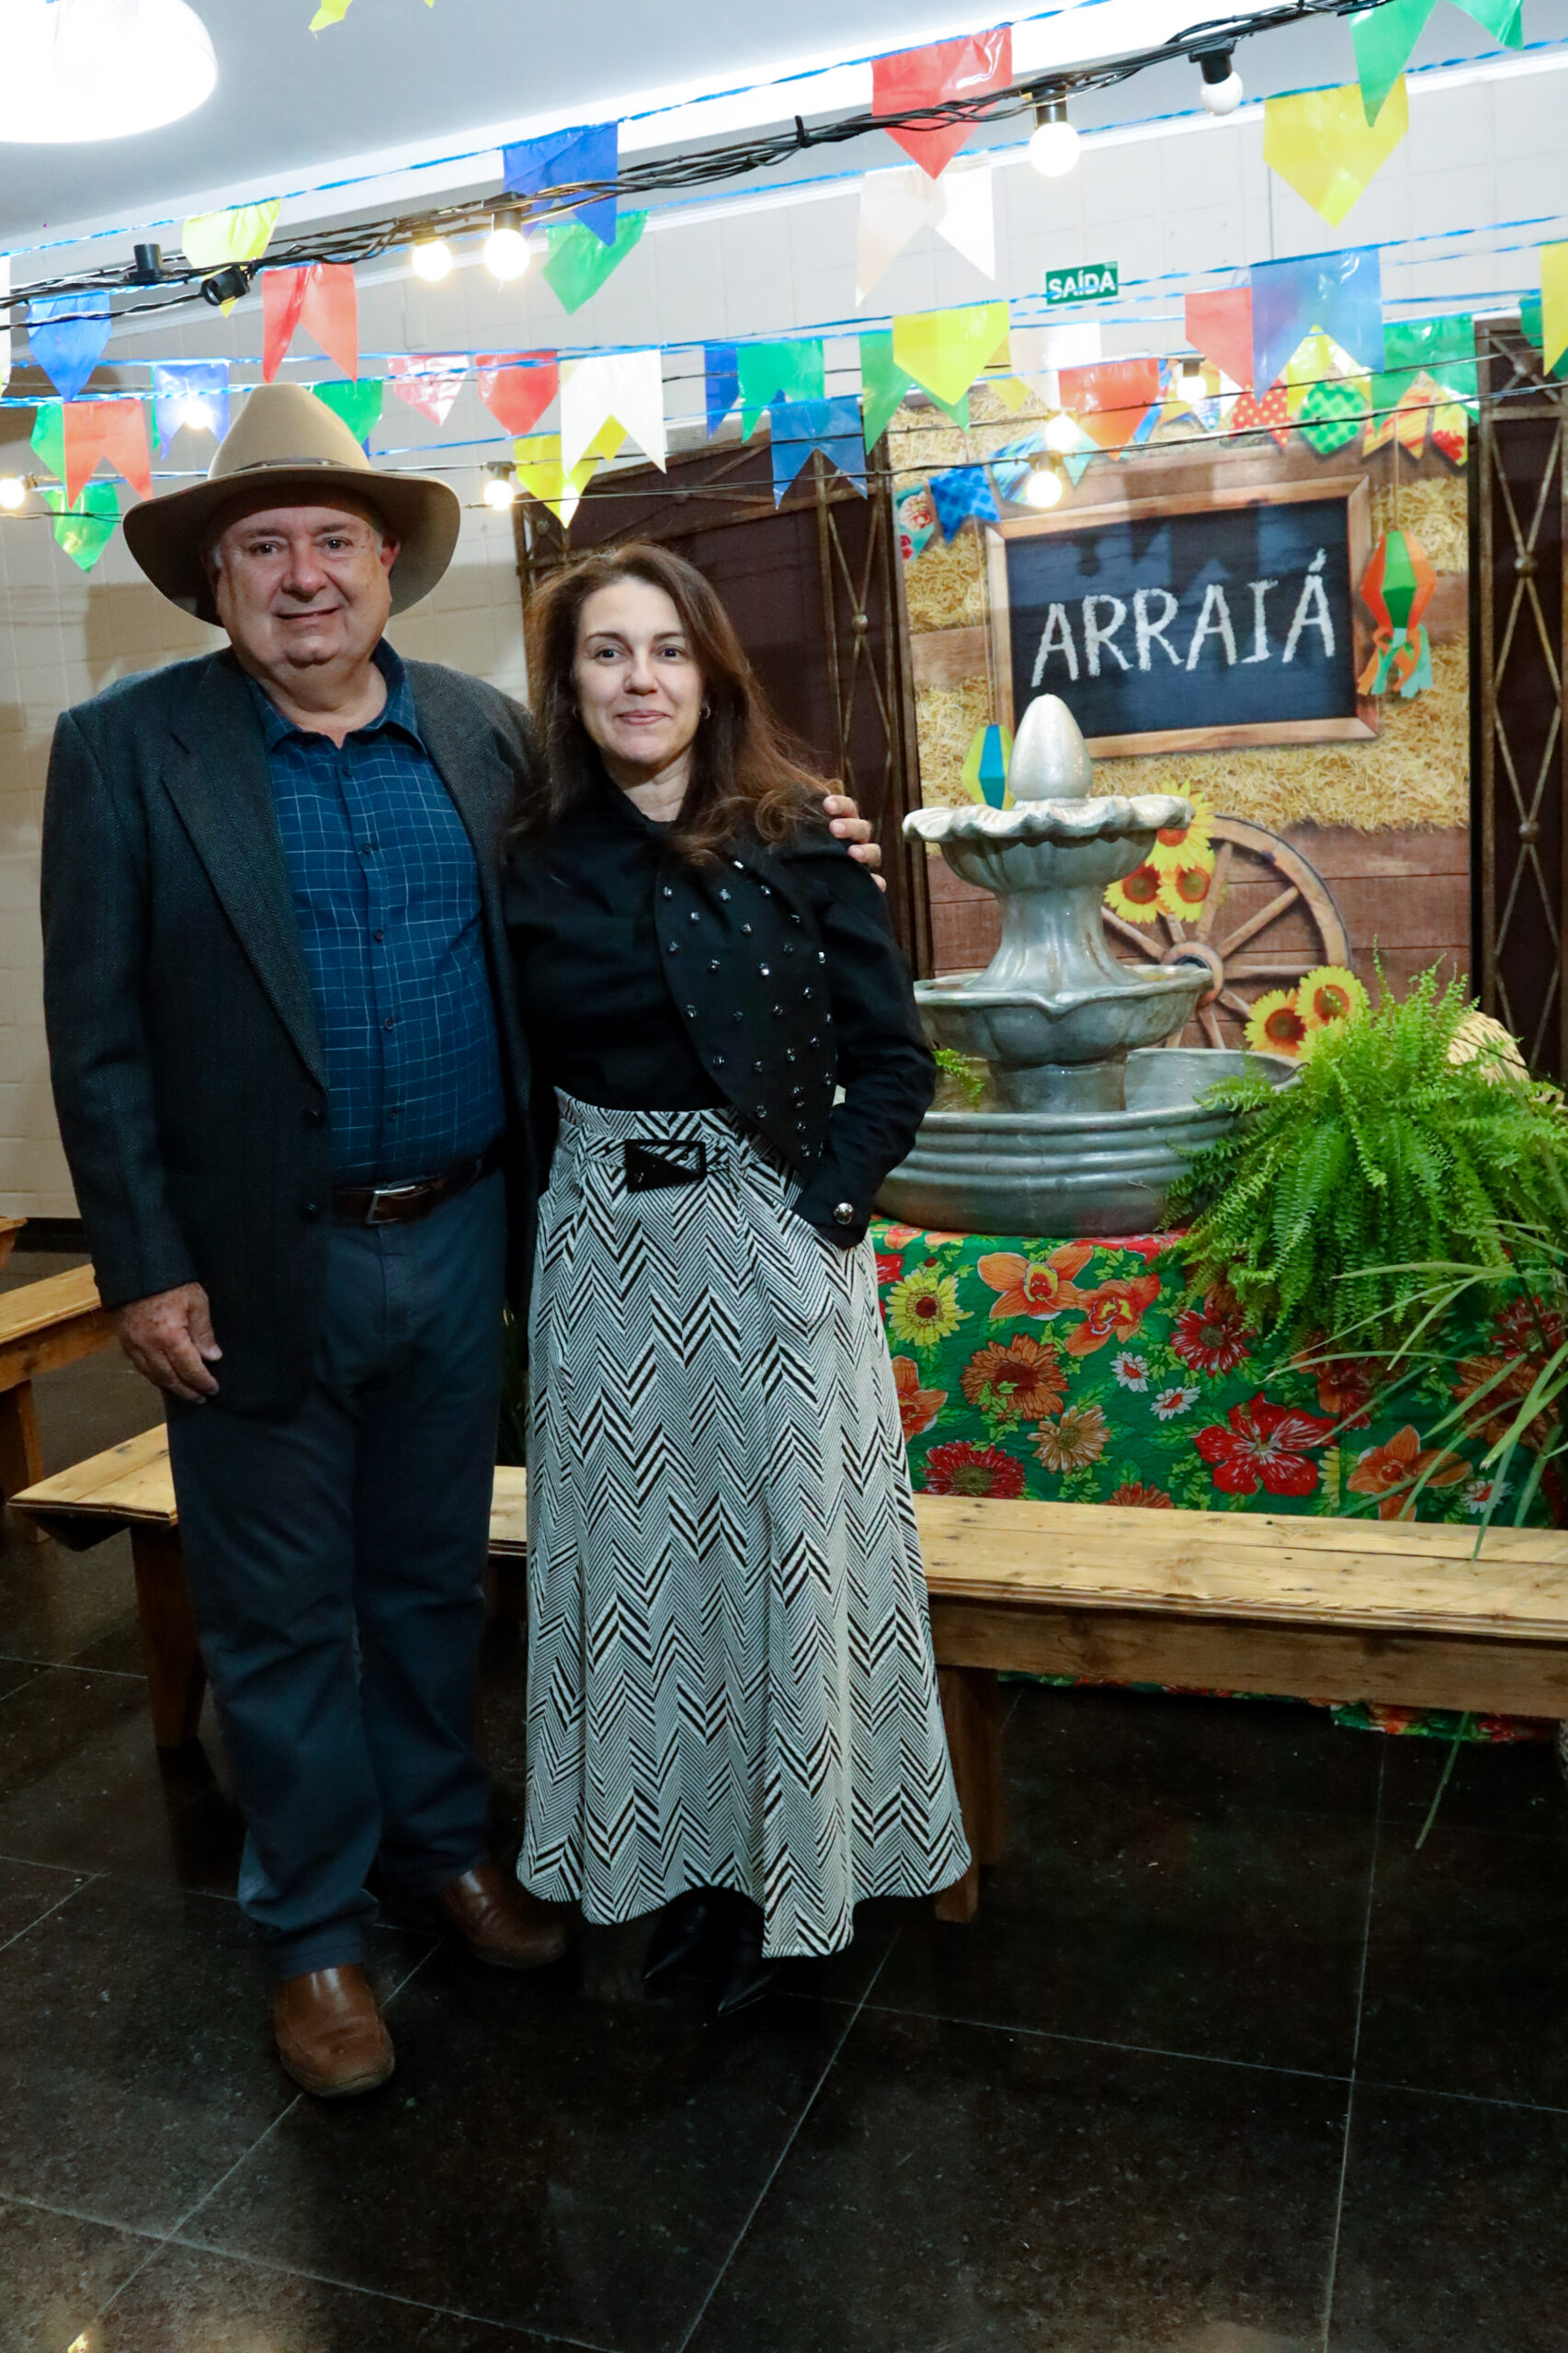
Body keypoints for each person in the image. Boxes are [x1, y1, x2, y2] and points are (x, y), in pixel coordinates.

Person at [40, 387, 882, 2097]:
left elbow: (650, 866)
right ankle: (311, 1934)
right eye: (261, 547)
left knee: (433, 1582)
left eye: (331, 542)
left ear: (385, 567)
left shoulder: (488, 735)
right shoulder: (128, 750)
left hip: (467, 1238)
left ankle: (439, 1846)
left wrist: (807, 843)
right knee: (278, 1614)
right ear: (213, 582)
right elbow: (96, 1031)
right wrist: (141, 1264)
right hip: (244, 1267)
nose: (301, 576)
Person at [506, 544, 970, 2011]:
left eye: (666, 651)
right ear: (568, 684)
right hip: (603, 1258)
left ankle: (799, 1873)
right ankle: (686, 1874)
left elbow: (893, 1059)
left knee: (783, 1567)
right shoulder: (528, 858)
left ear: (710, 676)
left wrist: (820, 1214)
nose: (638, 679)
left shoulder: (800, 833)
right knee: (645, 1577)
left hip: (776, 1246)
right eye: (606, 652)